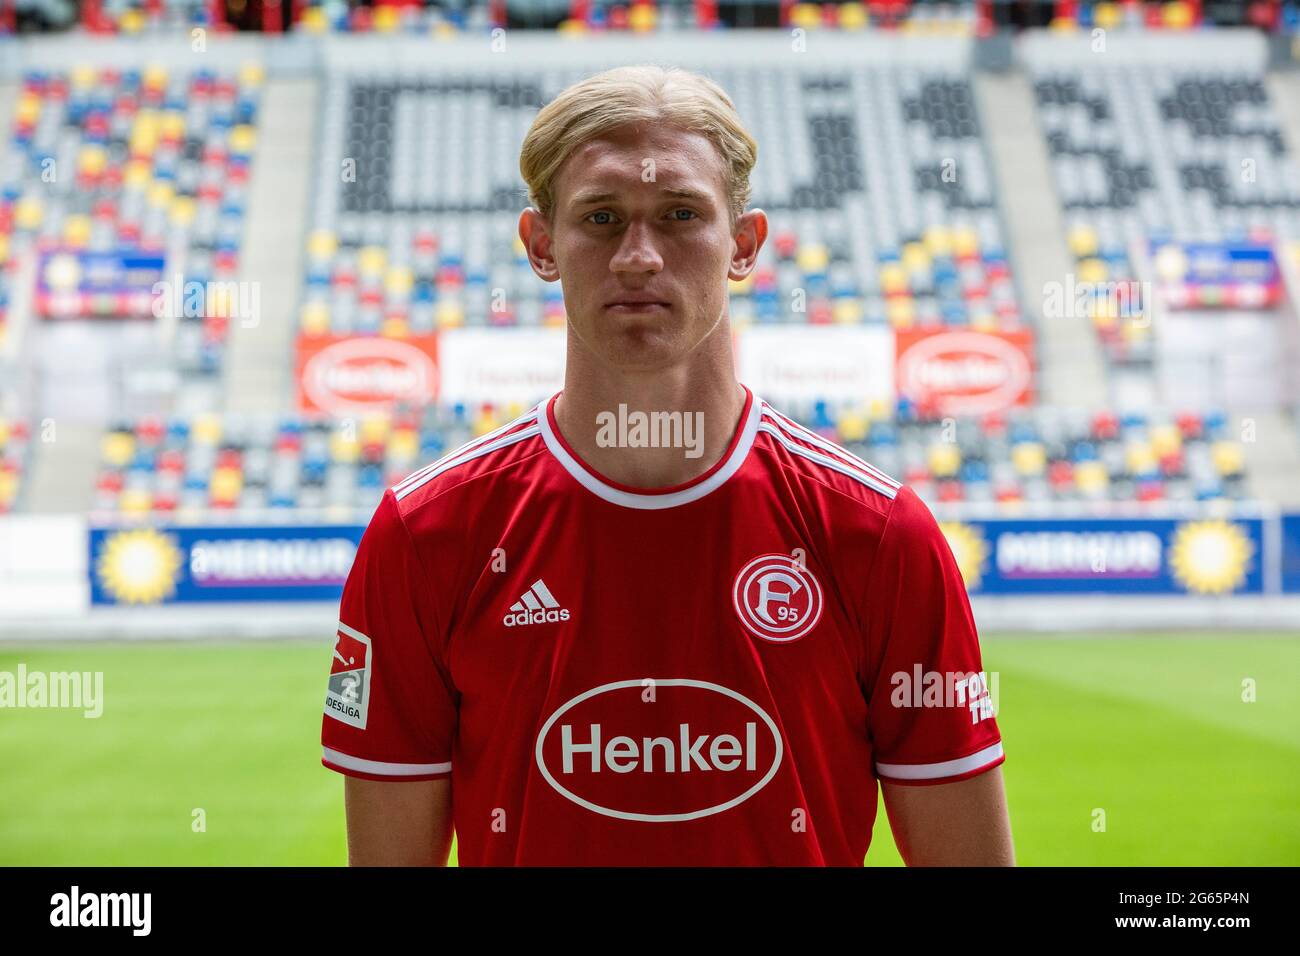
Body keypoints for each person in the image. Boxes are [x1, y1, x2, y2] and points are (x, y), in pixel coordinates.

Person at [320, 64, 1014, 866]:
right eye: (602, 217)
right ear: (541, 246)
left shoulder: (880, 533)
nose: (639, 257)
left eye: (681, 214)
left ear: (744, 245)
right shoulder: (427, 533)